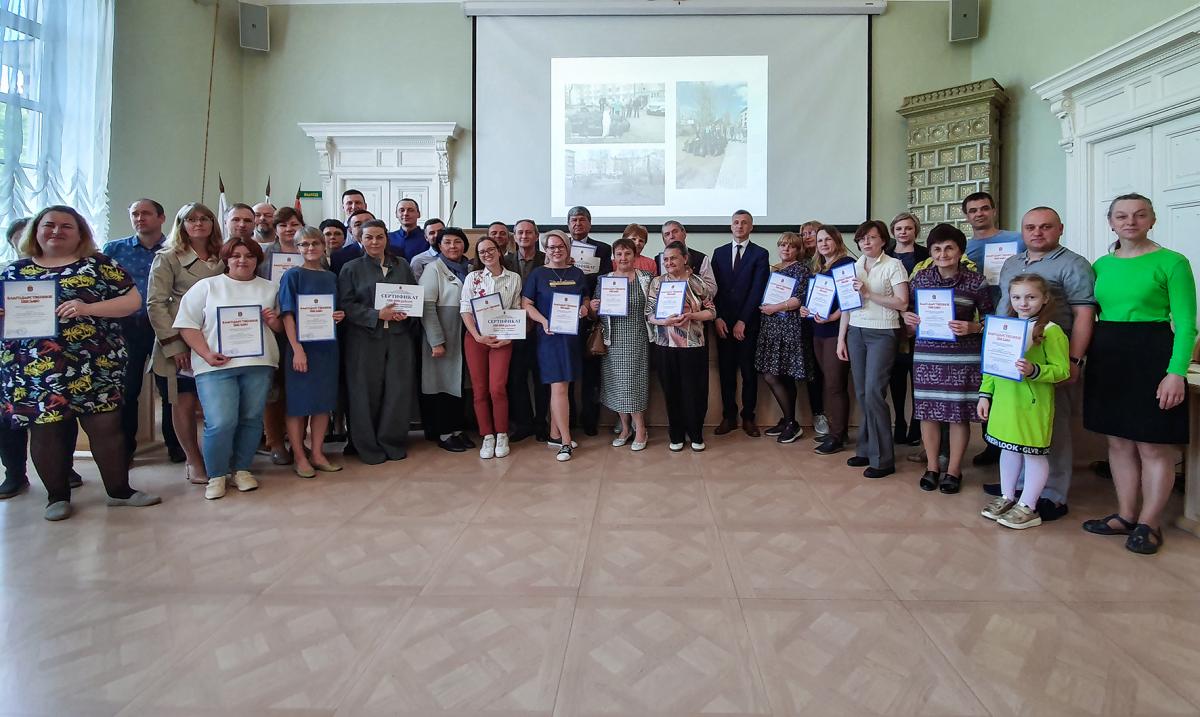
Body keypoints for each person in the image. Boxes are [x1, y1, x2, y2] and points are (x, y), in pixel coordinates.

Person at [0, 205, 161, 520]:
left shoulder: (99, 265)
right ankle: (56, 497)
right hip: (36, 369)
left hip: (95, 362)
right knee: (47, 431)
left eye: (66, 226)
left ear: (80, 233)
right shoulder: (13, 272)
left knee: (106, 427)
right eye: (49, 225)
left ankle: (119, 491)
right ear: (36, 230)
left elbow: (131, 301)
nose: (57, 231)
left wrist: (88, 308)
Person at [1082, 193, 1196, 555]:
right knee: (1118, 442)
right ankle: (1126, 515)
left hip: (1152, 354)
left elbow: (1187, 323)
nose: (1130, 221)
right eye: (1121, 216)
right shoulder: (1100, 265)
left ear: (1152, 220)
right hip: (1109, 354)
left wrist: (1175, 372)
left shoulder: (1172, 262)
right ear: (1111, 222)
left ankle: (1150, 522)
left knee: (1152, 444)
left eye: (1139, 214)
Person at [989, 206, 1096, 519]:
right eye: (1030, 227)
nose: (1037, 232)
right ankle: (1019, 490)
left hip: (1050, 357)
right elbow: (1005, 307)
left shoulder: (1073, 264)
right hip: (1011, 358)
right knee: (1017, 426)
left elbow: (1083, 314)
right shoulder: (1012, 263)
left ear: (1059, 228)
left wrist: (1075, 360)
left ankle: (1052, 494)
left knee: (1052, 428)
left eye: (1045, 226)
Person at [174, 236, 282, 500]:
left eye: (249, 256)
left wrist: (273, 321)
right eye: (236, 255)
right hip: (215, 366)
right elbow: (187, 324)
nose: (242, 260)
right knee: (221, 422)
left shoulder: (270, 288)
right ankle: (217, 474)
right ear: (226, 258)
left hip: (258, 364)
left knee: (251, 419)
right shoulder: (207, 287)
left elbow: (281, 328)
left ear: (258, 260)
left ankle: (242, 469)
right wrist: (206, 353)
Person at [900, 224, 992, 494]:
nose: (943, 253)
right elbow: (909, 316)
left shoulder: (976, 281)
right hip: (928, 355)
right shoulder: (920, 279)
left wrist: (974, 328)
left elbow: (990, 318)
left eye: (949, 247)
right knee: (928, 413)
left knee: (957, 415)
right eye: (937, 249)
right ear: (930, 252)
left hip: (963, 356)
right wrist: (908, 319)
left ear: (960, 251)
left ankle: (953, 470)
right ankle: (932, 467)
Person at [978, 274, 1070, 529]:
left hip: (1032, 404)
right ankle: (1008, 496)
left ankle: (1029, 505)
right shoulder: (1003, 327)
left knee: (1032, 453)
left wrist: (1035, 370)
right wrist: (985, 394)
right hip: (1005, 402)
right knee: (1008, 449)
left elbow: (1062, 370)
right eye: (1017, 297)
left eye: (1031, 297)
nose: (1024, 303)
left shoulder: (1051, 331)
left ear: (1045, 299)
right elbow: (990, 365)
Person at [146, 202, 226, 486]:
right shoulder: (167, 257)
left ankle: (218, 456)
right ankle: (193, 459)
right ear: (181, 224)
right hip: (180, 342)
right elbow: (156, 304)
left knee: (216, 402)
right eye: (191, 219)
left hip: (217, 339)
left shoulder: (222, 255)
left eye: (205, 218)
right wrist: (174, 345)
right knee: (184, 401)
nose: (199, 224)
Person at [102, 198, 183, 465]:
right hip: (128, 330)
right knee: (128, 390)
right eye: (135, 213)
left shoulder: (176, 249)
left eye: (146, 213)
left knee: (171, 390)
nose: (140, 218)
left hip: (165, 329)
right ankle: (126, 448)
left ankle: (176, 444)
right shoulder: (114, 250)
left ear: (161, 218)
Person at [338, 220, 418, 464]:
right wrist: (376, 315)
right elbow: (346, 304)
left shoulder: (401, 265)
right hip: (364, 338)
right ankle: (367, 445)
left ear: (387, 239)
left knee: (398, 390)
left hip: (398, 337)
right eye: (369, 237)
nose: (374, 242)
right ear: (360, 240)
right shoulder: (350, 268)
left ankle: (391, 441)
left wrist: (408, 312)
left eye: (379, 237)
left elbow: (412, 295)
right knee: (364, 392)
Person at [837, 220, 909, 479]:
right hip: (856, 331)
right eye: (862, 239)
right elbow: (847, 306)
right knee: (862, 393)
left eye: (871, 237)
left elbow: (902, 303)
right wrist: (841, 339)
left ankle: (883, 459)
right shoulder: (853, 267)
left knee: (874, 393)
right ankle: (866, 449)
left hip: (882, 332)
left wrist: (869, 294)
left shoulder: (893, 265)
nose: (866, 242)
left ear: (883, 240)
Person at [961, 191, 1025, 467]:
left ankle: (1014, 445)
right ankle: (992, 444)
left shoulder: (1016, 239)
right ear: (966, 216)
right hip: (980, 325)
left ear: (994, 210)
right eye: (973, 210)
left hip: (1015, 322)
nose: (979, 214)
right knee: (988, 384)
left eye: (984, 208)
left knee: (1011, 385)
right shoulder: (964, 248)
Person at [279, 227, 345, 477]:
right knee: (298, 404)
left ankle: (317, 453)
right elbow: (287, 314)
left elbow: (335, 310)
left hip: (327, 347)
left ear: (323, 246)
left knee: (322, 403)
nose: (310, 249)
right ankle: (299, 455)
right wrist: (297, 349)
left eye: (315, 243)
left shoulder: (330, 277)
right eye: (304, 245)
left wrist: (339, 315)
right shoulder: (292, 276)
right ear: (297, 248)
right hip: (301, 348)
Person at [522, 230, 589, 461]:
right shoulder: (538, 274)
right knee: (559, 387)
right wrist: (543, 321)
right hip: (549, 337)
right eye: (551, 247)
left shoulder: (577, 273)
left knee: (562, 387)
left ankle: (554, 434)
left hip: (571, 338)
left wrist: (584, 309)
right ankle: (566, 442)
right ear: (545, 250)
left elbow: (586, 299)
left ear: (568, 248)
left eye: (560, 246)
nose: (556, 250)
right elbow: (526, 303)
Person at [646, 241, 717, 451]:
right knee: (671, 390)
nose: (669, 262)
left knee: (694, 391)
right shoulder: (657, 282)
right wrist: (663, 321)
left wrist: (691, 315)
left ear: (685, 259)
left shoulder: (697, 282)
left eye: (673, 258)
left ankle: (695, 433)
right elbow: (649, 314)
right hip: (665, 344)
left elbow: (712, 312)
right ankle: (676, 434)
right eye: (665, 259)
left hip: (693, 345)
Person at [461, 235, 522, 459]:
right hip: (476, 339)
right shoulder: (472, 278)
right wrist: (477, 336)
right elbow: (465, 309)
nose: (487, 254)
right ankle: (487, 436)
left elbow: (516, 309)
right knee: (479, 390)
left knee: (497, 387)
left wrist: (510, 337)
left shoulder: (513, 278)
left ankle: (502, 434)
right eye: (482, 252)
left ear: (499, 251)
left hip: (502, 340)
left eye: (490, 250)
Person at [588, 237, 651, 451]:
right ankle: (625, 428)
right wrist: (594, 307)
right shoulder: (604, 279)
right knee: (615, 385)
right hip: (612, 340)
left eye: (627, 253)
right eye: (619, 254)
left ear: (635, 256)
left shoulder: (646, 278)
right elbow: (595, 313)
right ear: (613, 257)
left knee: (634, 385)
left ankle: (640, 428)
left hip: (637, 339)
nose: (623, 258)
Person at [712, 209, 770, 437]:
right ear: (730, 226)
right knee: (726, 373)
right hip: (723, 324)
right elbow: (714, 290)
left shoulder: (760, 254)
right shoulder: (719, 253)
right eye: (736, 222)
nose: (739, 226)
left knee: (748, 373)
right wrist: (718, 318)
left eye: (744, 223)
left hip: (748, 325)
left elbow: (758, 290)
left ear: (751, 227)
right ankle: (729, 417)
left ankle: (748, 417)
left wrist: (743, 321)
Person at [802, 224, 854, 455]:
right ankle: (836, 431)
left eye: (827, 240)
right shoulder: (820, 268)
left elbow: (848, 302)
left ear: (837, 241)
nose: (823, 244)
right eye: (819, 240)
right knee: (828, 383)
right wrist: (806, 310)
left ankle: (837, 435)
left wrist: (831, 316)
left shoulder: (845, 265)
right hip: (819, 332)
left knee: (835, 385)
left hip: (835, 333)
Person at [420, 227, 473, 452]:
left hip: (463, 334)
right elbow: (426, 306)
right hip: (442, 337)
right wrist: (436, 341)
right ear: (439, 246)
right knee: (441, 386)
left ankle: (457, 430)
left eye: (457, 242)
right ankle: (443, 433)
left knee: (457, 385)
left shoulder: (470, 269)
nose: (453, 246)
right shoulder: (433, 269)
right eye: (447, 242)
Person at [756, 232, 812, 444]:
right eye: (782, 245)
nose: (786, 249)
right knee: (777, 374)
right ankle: (788, 419)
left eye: (791, 246)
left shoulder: (802, 269)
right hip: (771, 326)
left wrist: (774, 307)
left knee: (778, 375)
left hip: (789, 326)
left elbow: (799, 299)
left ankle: (791, 423)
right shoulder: (774, 269)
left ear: (798, 250)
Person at [566, 206, 612, 436]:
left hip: (592, 319)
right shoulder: (559, 249)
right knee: (568, 374)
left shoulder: (603, 249)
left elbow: (604, 280)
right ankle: (569, 420)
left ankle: (590, 421)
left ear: (590, 224)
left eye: (582, 220)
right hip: (564, 318)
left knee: (592, 374)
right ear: (568, 224)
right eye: (573, 220)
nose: (577, 224)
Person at [886, 212, 928, 447]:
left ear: (916, 230)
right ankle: (899, 421)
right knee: (897, 376)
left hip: (920, 323)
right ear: (893, 231)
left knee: (918, 376)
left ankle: (916, 423)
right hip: (892, 322)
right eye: (899, 228)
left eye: (908, 228)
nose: (903, 232)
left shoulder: (926, 255)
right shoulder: (886, 255)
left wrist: (913, 318)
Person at [507, 219, 549, 443]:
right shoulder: (503, 261)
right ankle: (523, 424)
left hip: (543, 329)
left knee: (542, 379)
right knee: (517, 379)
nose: (524, 236)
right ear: (514, 236)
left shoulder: (548, 259)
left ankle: (541, 423)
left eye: (529, 232)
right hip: (513, 331)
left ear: (536, 235)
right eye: (520, 232)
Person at [797, 220, 828, 439]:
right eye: (804, 233)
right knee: (811, 372)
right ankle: (818, 413)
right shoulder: (796, 262)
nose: (807, 236)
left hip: (829, 323)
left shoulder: (830, 262)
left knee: (829, 372)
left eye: (812, 233)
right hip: (802, 323)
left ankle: (832, 416)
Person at [657, 220, 717, 296]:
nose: (671, 236)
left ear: (684, 233)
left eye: (675, 232)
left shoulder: (701, 258)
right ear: (663, 240)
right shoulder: (657, 260)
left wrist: (691, 284)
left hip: (695, 305)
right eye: (667, 234)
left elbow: (712, 289)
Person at [330, 209, 376, 273]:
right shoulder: (339, 256)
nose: (364, 227)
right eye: (358, 224)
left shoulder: (392, 251)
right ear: (350, 230)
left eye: (368, 223)